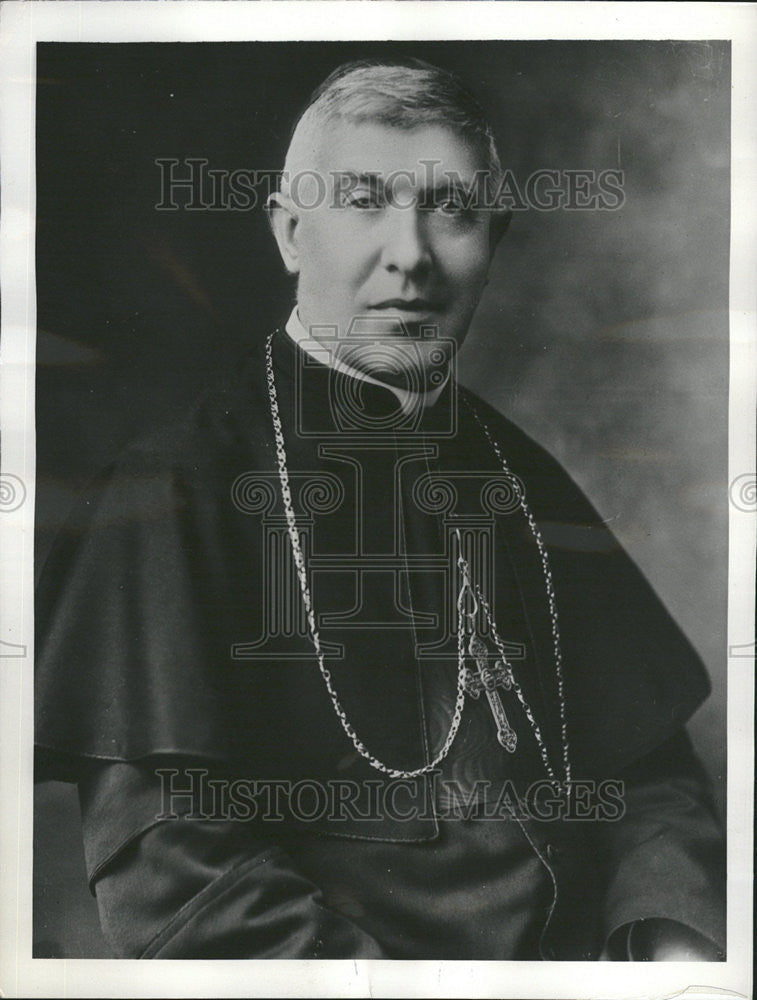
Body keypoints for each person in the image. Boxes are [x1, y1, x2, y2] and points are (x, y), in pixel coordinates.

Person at [35, 58, 725, 961]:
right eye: (363, 200)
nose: (410, 253)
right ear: (289, 233)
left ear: (496, 236)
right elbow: (178, 880)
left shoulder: (521, 473)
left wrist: (670, 942)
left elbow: (648, 780)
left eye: (451, 207)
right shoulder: (171, 490)